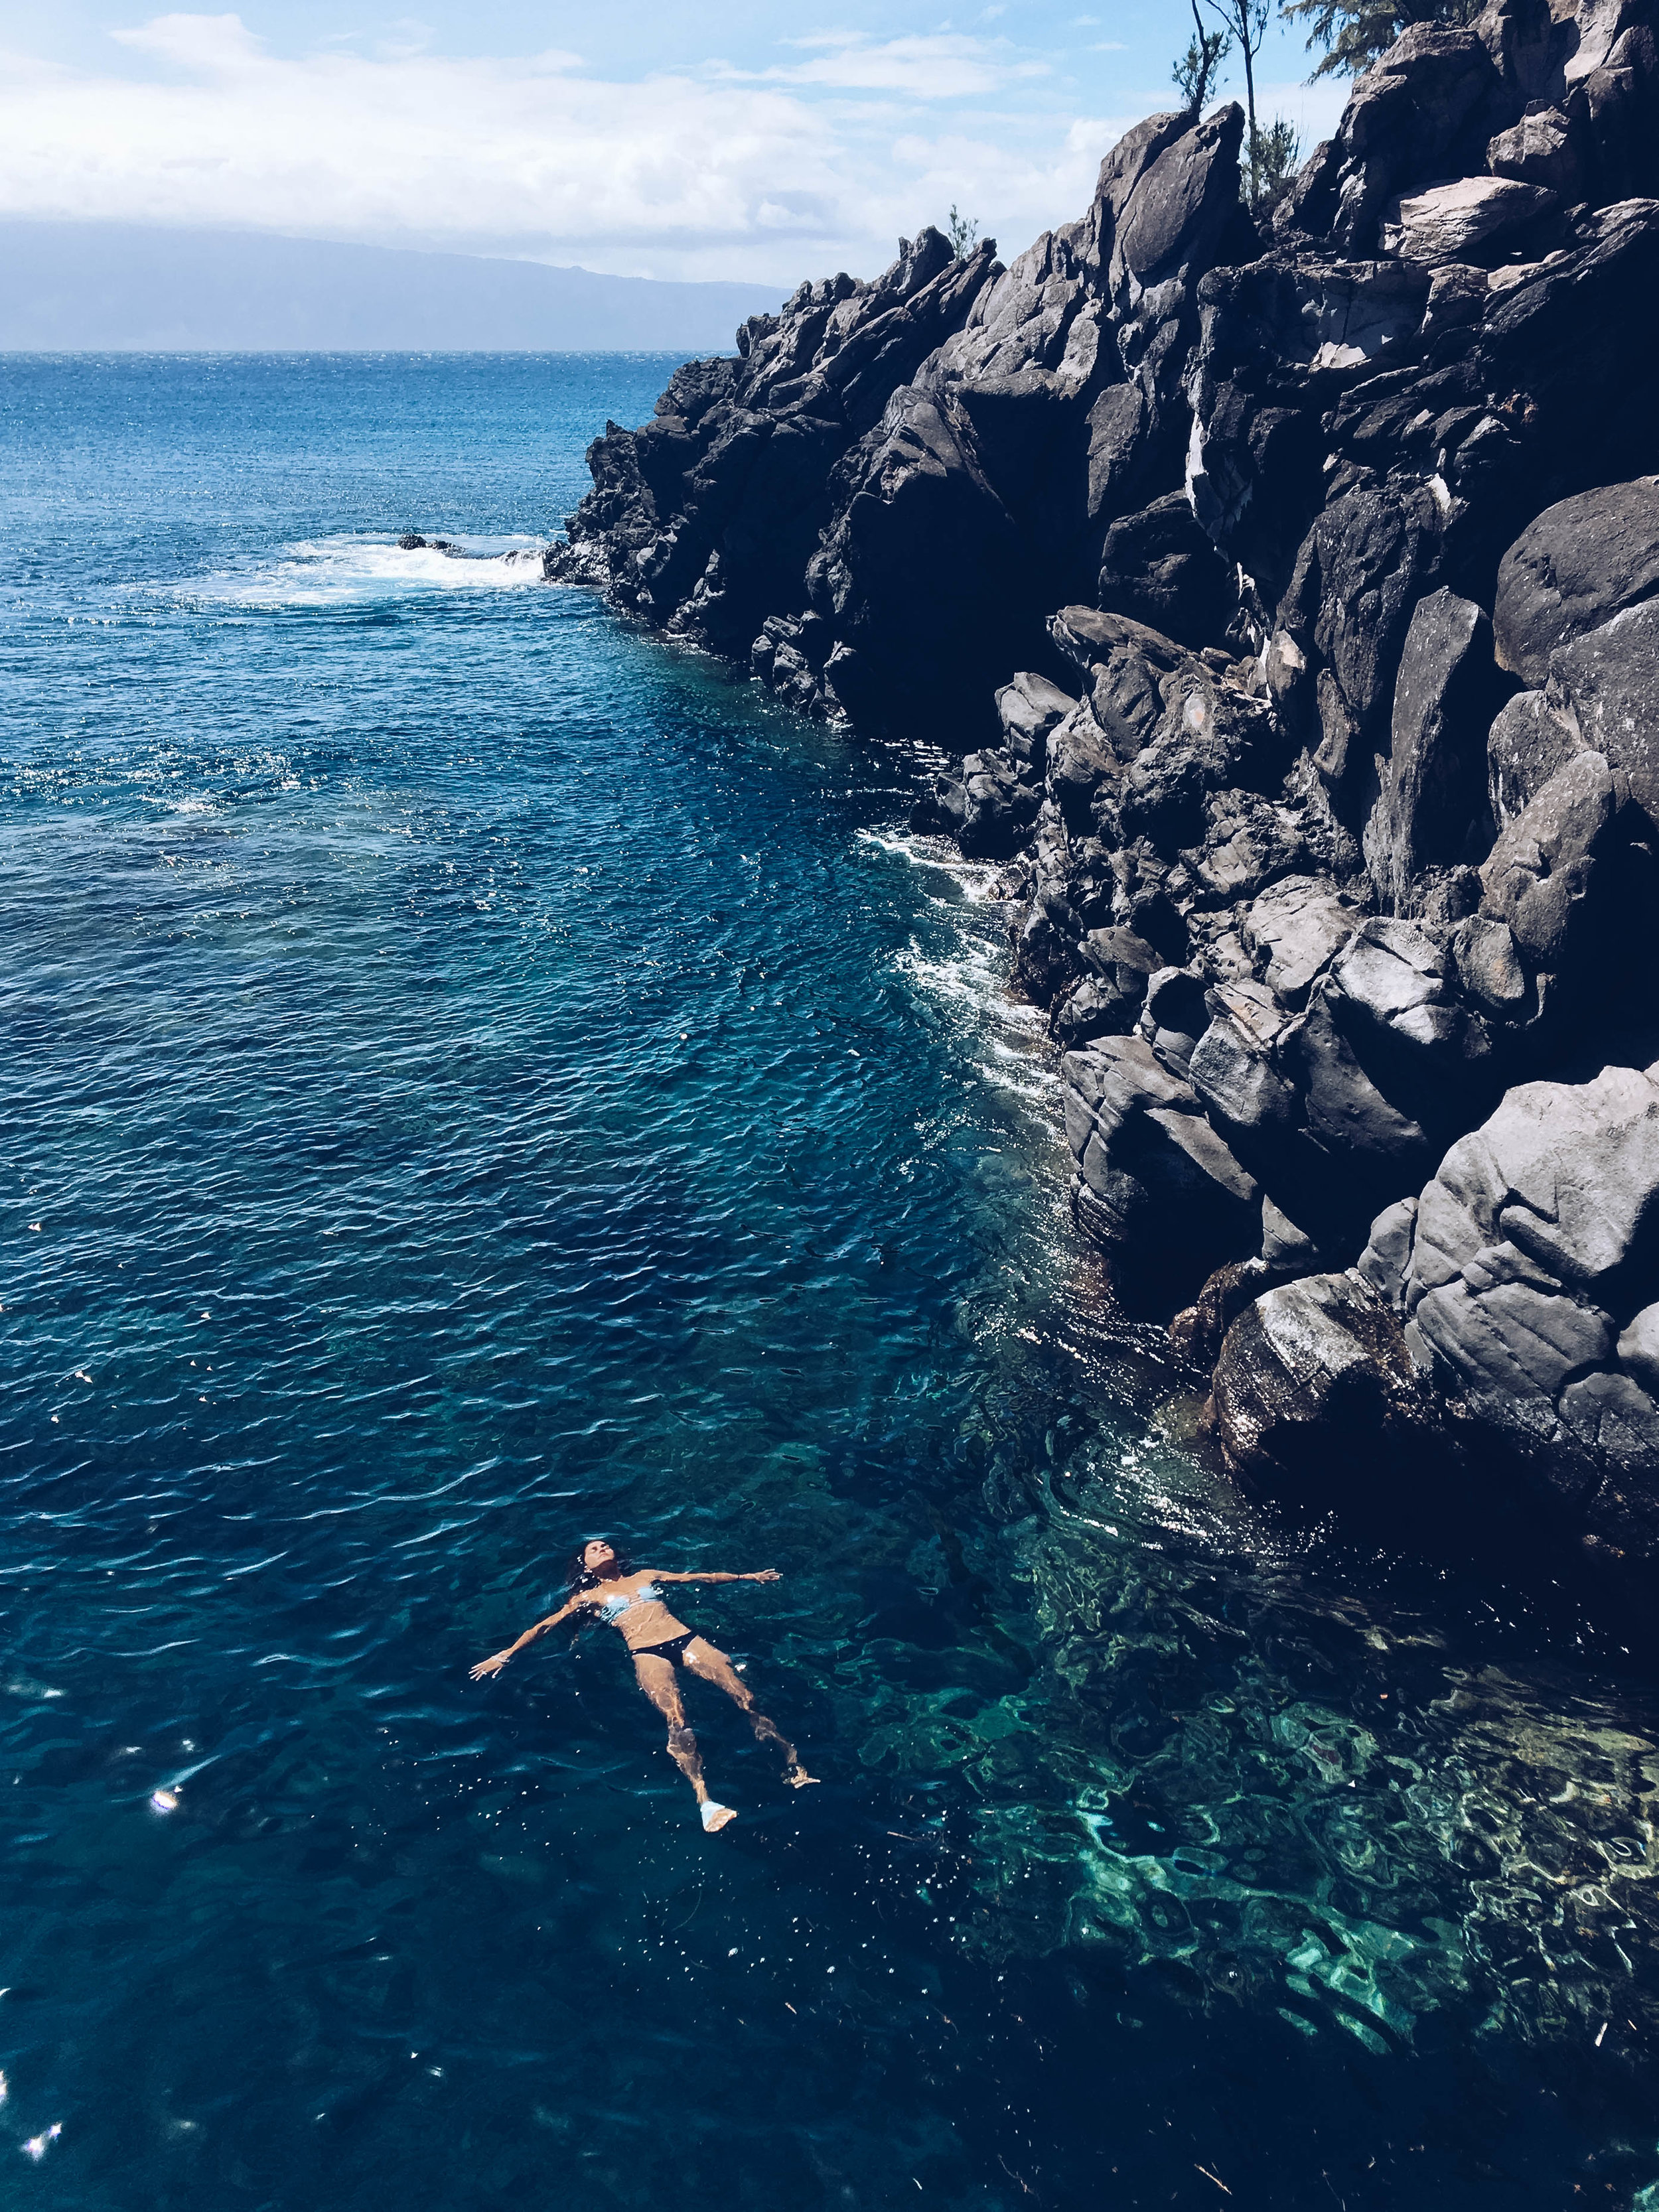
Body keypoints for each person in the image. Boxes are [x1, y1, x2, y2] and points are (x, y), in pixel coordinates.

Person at [469, 1538, 817, 1831]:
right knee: (677, 1722)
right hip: (647, 1653)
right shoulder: (587, 1598)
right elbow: (546, 1626)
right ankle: (705, 1800)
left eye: (605, 1545)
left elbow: (700, 1577)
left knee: (747, 1698)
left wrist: (746, 1576)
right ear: (586, 1566)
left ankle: (794, 1767)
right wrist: (506, 1653)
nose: (602, 1547)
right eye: (593, 1549)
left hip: (686, 1639)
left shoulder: (646, 1575)